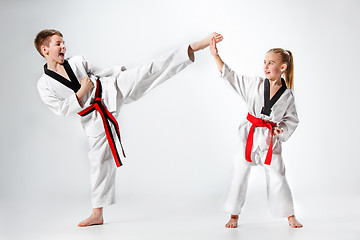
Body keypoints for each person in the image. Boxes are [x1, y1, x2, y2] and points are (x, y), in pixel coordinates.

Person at [35, 29, 223, 227]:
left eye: (63, 42)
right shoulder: (44, 85)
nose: (63, 46)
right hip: (94, 117)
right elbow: (63, 109)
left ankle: (196, 46)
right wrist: (82, 92)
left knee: (148, 69)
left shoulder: (76, 61)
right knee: (98, 162)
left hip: (110, 88)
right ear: (45, 49)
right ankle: (97, 214)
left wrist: (122, 73)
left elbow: (100, 73)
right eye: (58, 44)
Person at [209, 37, 303, 228]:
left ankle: (289, 215)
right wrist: (216, 56)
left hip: (270, 139)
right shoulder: (255, 84)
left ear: (283, 67)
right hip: (249, 137)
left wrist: (280, 129)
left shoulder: (287, 95)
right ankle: (234, 214)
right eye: (264, 62)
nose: (266, 66)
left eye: (271, 63)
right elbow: (232, 77)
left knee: (278, 175)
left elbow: (291, 119)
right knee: (240, 173)